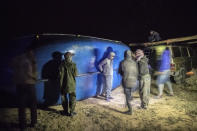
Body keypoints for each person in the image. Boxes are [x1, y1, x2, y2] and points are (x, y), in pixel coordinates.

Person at [11, 49, 38, 130]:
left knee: (22, 106)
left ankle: (22, 126)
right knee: (33, 104)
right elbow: (30, 73)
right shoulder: (29, 60)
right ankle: (33, 122)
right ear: (29, 52)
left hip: (19, 85)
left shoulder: (16, 59)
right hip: (29, 84)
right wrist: (35, 77)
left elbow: (13, 69)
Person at [118, 50, 138, 115]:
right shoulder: (135, 62)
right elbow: (137, 72)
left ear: (124, 55)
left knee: (127, 96)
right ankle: (128, 101)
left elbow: (121, 72)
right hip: (134, 82)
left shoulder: (122, 62)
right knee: (130, 93)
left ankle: (130, 111)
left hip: (127, 81)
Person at [59, 51, 78, 116]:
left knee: (64, 98)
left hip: (63, 84)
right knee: (72, 97)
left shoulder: (61, 64)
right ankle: (72, 112)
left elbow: (59, 75)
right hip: (72, 84)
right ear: (70, 57)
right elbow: (76, 74)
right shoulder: (73, 64)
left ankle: (65, 111)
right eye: (71, 56)